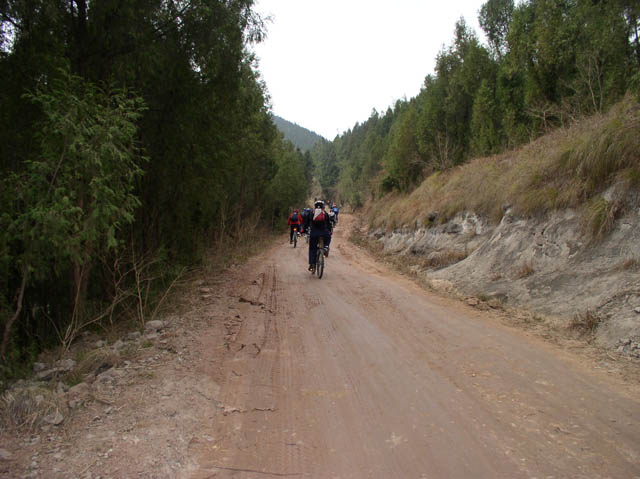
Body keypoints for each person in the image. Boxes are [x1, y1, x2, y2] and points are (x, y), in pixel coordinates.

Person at [308, 200, 333, 272]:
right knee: (329, 237)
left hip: (314, 234)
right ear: (323, 206)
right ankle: (326, 247)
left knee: (312, 248)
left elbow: (307, 223)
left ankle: (312, 264)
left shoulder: (311, 213)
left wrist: (304, 230)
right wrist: (329, 231)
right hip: (324, 233)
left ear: (315, 206)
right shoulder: (325, 213)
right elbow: (329, 224)